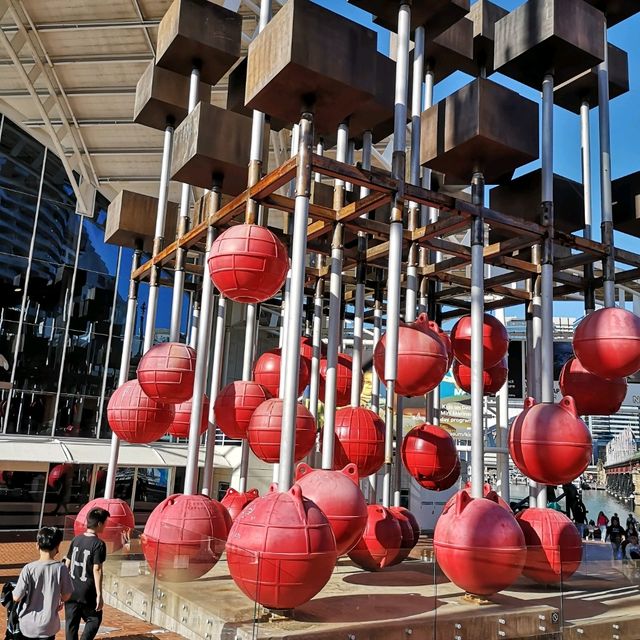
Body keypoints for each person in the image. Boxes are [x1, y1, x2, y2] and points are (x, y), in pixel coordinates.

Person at [12, 527, 73, 640]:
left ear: (37, 545)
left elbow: (16, 597)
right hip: (49, 626)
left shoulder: (28, 568)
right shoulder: (61, 568)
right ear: (57, 547)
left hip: (27, 625)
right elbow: (66, 595)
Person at [64, 508, 109, 640]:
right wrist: (99, 594)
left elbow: (67, 563)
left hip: (71, 590)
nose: (106, 526)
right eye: (105, 523)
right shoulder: (99, 544)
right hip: (87, 591)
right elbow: (97, 569)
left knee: (71, 623)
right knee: (94, 619)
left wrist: (63, 587)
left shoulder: (76, 540)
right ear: (99, 524)